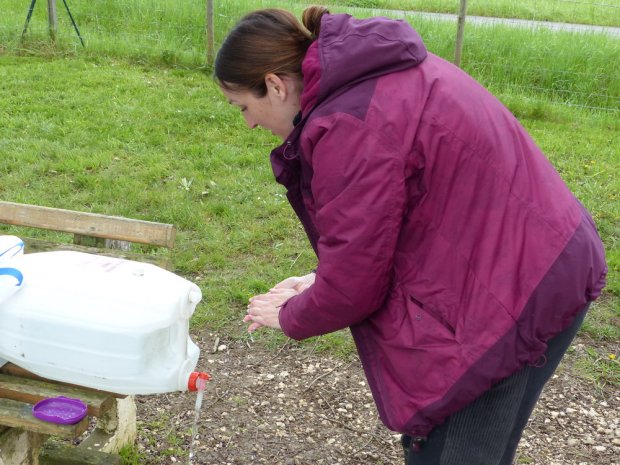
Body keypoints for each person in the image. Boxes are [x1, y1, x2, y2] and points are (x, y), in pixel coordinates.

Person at [214, 6, 607, 464]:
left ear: (276, 85)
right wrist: (321, 279)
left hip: (516, 289)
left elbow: (354, 286)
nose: (247, 122)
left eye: (243, 106)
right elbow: (378, 234)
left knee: (451, 449)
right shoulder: (371, 77)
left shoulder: (349, 124)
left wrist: (290, 316)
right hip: (536, 260)